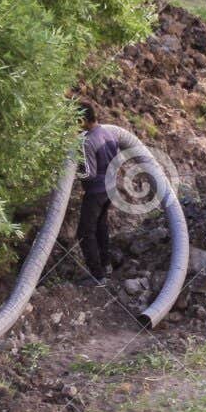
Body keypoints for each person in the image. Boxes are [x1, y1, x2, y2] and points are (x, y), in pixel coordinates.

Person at [77, 102, 125, 284]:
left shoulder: (88, 141)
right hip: (110, 188)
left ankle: (97, 276)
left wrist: (72, 173)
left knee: (84, 232)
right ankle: (106, 265)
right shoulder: (109, 133)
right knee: (101, 226)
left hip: (96, 191)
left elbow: (89, 173)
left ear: (82, 120)